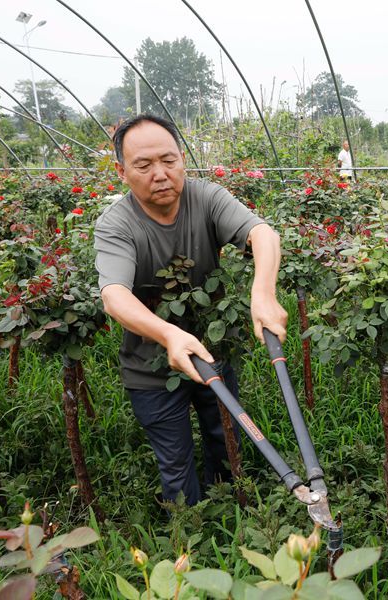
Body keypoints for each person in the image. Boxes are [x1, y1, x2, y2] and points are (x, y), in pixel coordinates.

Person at [94, 114, 288, 506]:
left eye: (169, 160)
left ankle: (241, 520)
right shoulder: (116, 225)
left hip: (213, 353)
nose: (160, 174)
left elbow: (261, 233)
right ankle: (190, 543)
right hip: (151, 369)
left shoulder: (206, 198)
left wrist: (263, 293)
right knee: (177, 467)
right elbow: (114, 294)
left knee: (225, 440)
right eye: (144, 165)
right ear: (122, 171)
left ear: (182, 159)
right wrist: (168, 335)